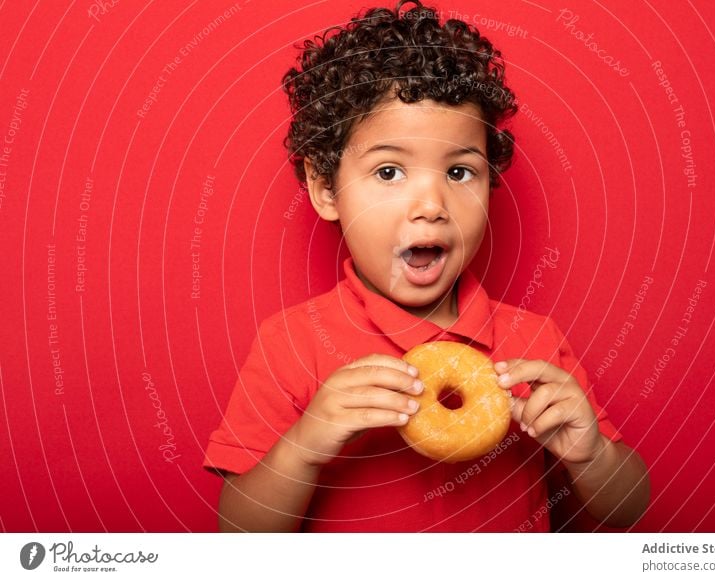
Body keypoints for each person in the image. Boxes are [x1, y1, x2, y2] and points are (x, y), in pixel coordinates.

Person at [203, 0, 649, 532]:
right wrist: (303, 447)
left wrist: (592, 456)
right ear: (326, 189)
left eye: (460, 172)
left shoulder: (532, 346)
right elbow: (237, 535)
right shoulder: (293, 342)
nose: (432, 204)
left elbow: (628, 511)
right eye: (389, 171)